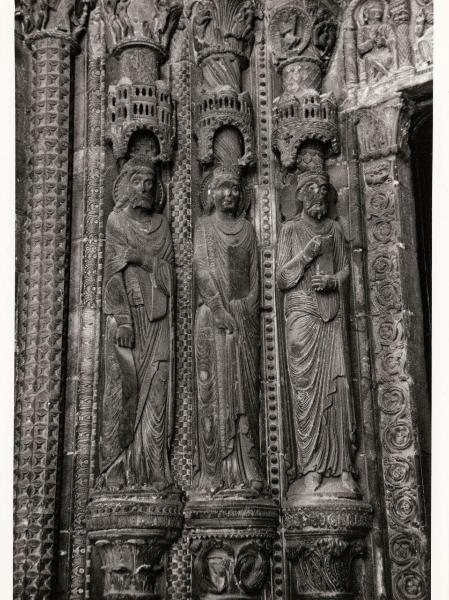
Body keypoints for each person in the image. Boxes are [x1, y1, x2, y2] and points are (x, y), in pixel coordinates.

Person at [277, 171, 358, 497]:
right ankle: (311, 467)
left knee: (338, 388)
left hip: (331, 313)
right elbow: (282, 277)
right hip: (302, 314)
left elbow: (347, 266)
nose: (319, 194)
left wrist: (335, 281)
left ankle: (343, 468)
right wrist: (308, 254)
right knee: (307, 392)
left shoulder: (335, 229)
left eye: (324, 189)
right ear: (299, 194)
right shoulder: (290, 230)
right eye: (312, 188)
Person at [99, 154, 175, 492]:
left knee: (156, 392)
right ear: (125, 186)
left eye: (149, 182)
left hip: (157, 319)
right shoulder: (116, 222)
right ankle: (117, 468)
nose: (144, 187)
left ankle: (154, 467)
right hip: (128, 323)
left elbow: (170, 275)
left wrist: (142, 258)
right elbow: (112, 274)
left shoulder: (161, 225)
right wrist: (124, 320)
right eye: (137, 181)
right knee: (123, 393)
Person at [192, 165, 264, 498]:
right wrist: (220, 311)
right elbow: (202, 270)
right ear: (211, 194)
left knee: (246, 398)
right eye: (223, 188)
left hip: (243, 323)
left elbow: (255, 280)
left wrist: (243, 309)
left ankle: (248, 467)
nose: (231, 194)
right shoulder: (204, 227)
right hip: (212, 320)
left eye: (236, 188)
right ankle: (214, 472)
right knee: (211, 394)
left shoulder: (248, 230)